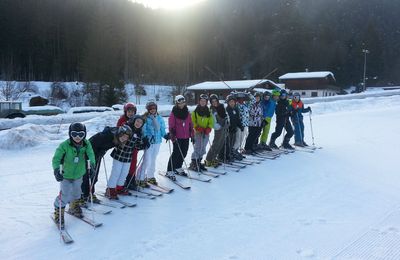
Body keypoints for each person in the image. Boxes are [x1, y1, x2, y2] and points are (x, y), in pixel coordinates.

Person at [52, 123, 95, 227]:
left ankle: (73, 206)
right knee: (65, 194)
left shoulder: (86, 144)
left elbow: (91, 154)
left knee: (77, 193)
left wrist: (92, 165)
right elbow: (56, 158)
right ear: (70, 134)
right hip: (65, 175)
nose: (77, 137)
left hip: (79, 174)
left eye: (81, 134)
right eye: (74, 134)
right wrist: (57, 170)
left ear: (84, 134)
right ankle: (58, 212)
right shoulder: (64, 145)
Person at [80, 125, 133, 204]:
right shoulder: (106, 136)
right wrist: (99, 151)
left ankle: (89, 193)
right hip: (87, 154)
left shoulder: (117, 139)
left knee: (94, 176)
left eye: (127, 137)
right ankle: (83, 195)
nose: (124, 138)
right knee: (87, 175)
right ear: (120, 133)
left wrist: (101, 151)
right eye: (124, 136)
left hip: (97, 155)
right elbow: (91, 143)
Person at [106, 115, 148, 199]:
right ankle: (110, 189)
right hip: (119, 154)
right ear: (134, 121)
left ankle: (119, 187)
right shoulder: (126, 128)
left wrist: (144, 144)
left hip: (128, 157)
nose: (138, 124)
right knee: (116, 172)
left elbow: (137, 146)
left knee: (124, 173)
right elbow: (117, 135)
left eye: (141, 123)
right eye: (137, 121)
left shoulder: (139, 133)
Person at [137, 101, 169, 187]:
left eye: (154, 108)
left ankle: (150, 176)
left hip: (157, 142)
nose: (152, 110)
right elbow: (143, 130)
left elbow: (161, 129)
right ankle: (140, 178)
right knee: (147, 160)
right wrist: (145, 138)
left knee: (153, 160)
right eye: (150, 109)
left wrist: (165, 135)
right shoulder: (145, 118)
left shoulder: (159, 118)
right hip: (149, 142)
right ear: (148, 110)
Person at [166, 95, 194, 177]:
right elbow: (171, 126)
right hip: (177, 137)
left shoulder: (187, 113)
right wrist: (173, 135)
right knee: (176, 153)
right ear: (177, 104)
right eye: (180, 103)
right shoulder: (173, 114)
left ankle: (178, 167)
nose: (181, 104)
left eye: (183, 103)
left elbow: (190, 124)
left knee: (184, 153)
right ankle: (170, 170)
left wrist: (192, 134)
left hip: (186, 137)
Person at [117, 103, 140, 191]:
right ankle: (120, 183)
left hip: (133, 147)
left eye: (133, 112)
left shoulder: (136, 120)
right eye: (129, 111)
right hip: (124, 148)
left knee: (133, 164)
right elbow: (118, 133)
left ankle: (131, 180)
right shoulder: (122, 120)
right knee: (123, 165)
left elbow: (139, 131)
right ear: (125, 112)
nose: (131, 113)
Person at [189, 94, 213, 172]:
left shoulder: (209, 111)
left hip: (206, 132)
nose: (203, 102)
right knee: (198, 147)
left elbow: (211, 121)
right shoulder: (195, 112)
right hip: (198, 132)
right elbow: (192, 121)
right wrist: (196, 127)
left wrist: (209, 127)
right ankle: (193, 162)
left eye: (204, 101)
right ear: (199, 101)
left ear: (206, 102)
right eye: (201, 101)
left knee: (203, 148)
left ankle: (198, 162)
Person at [205, 94, 228, 167]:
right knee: (216, 143)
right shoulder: (212, 109)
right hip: (218, 128)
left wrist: (227, 120)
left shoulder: (222, 106)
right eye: (212, 101)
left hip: (224, 126)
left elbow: (225, 115)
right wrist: (217, 126)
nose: (214, 102)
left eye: (215, 101)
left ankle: (214, 158)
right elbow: (213, 120)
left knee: (221, 143)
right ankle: (208, 159)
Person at [225, 94, 243, 160]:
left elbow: (238, 119)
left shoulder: (236, 109)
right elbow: (226, 120)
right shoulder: (227, 110)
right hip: (229, 129)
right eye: (230, 102)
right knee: (228, 143)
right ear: (228, 102)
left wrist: (240, 125)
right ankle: (227, 155)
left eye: (233, 102)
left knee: (233, 142)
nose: (232, 103)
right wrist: (229, 127)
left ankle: (231, 153)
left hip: (234, 128)